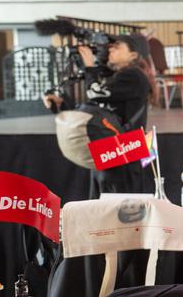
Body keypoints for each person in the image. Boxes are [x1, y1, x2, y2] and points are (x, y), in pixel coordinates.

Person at [43, 34, 158, 195]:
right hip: (110, 152)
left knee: (120, 213)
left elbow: (94, 93)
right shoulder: (117, 77)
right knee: (101, 210)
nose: (111, 48)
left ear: (133, 55)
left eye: (117, 46)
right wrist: (62, 104)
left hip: (123, 155)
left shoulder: (134, 75)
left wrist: (90, 67)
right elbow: (96, 111)